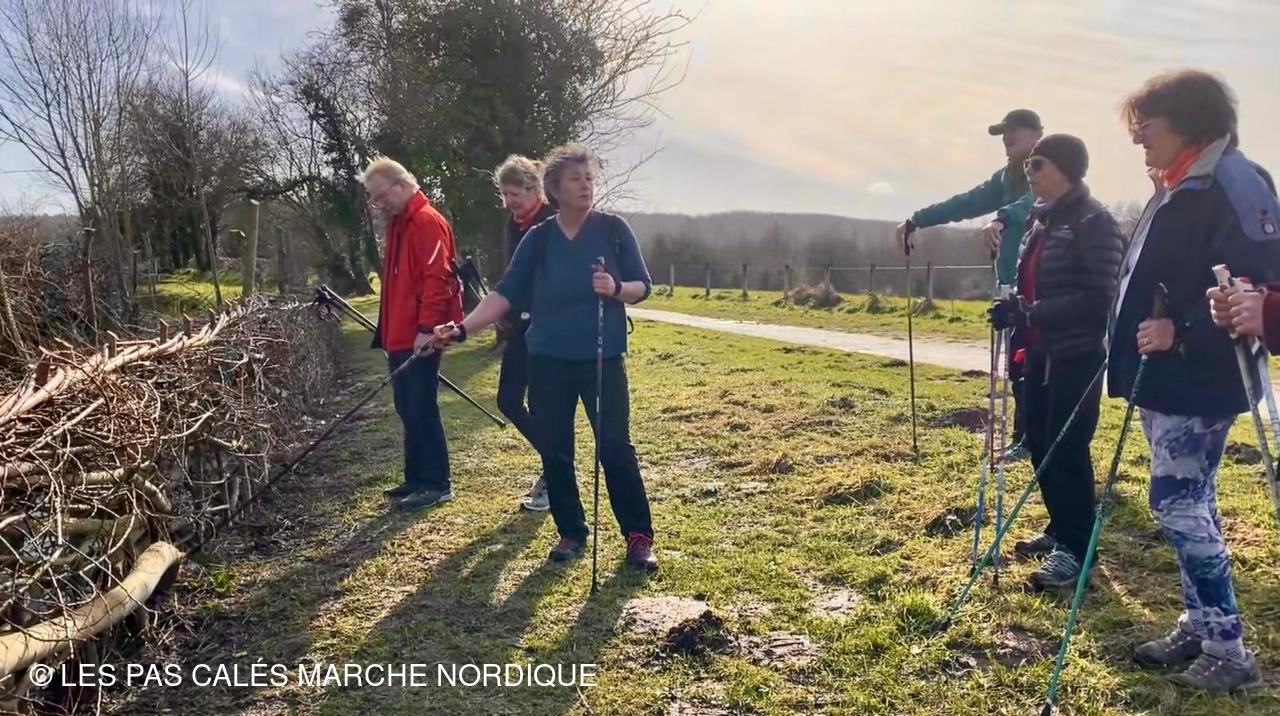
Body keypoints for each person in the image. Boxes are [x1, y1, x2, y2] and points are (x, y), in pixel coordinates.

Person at [1111, 69, 1280, 691]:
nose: (1137, 139)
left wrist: (1180, 332)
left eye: (1145, 125)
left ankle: (1230, 652)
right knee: (1193, 502)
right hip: (1166, 375)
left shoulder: (1233, 181)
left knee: (1177, 503)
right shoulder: (1178, 183)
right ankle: (1203, 623)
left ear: (1187, 121)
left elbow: (1254, 289)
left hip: (1200, 376)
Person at [430, 143, 658, 572]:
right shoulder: (539, 238)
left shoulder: (613, 229)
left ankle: (638, 537)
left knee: (615, 448)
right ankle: (571, 532)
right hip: (548, 360)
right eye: (576, 179)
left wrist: (615, 288)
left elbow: (643, 286)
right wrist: (461, 329)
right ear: (554, 188)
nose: (586, 186)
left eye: (590, 178)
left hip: (602, 358)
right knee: (555, 450)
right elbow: (504, 294)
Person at [986, 135, 1124, 590]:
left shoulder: (1095, 221)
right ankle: (1061, 527)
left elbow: (1099, 298)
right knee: (1041, 442)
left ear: (1064, 168)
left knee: (1067, 447)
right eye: (1028, 164)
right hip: (1037, 352)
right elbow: (1033, 285)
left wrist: (1032, 312)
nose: (1029, 172)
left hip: (1075, 354)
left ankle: (1078, 549)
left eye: (1037, 163)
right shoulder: (1040, 220)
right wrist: (1014, 310)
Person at [897, 109, 1044, 458]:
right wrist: (918, 220)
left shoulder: (1047, 169)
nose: (1007, 138)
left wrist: (1002, 218)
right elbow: (967, 202)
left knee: (1036, 364)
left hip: (1042, 286)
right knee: (1018, 365)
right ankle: (1024, 438)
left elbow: (1034, 203)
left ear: (1037, 133)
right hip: (1010, 283)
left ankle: (1035, 440)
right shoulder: (1006, 176)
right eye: (1004, 133)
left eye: (1015, 130)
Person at [361, 157, 463, 511]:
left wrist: (426, 330)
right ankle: (416, 476)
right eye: (374, 198)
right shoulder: (399, 224)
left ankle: (437, 483)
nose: (379, 204)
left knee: (422, 407)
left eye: (381, 196)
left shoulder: (426, 222)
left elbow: (438, 280)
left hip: (419, 336)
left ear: (401, 185)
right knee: (406, 406)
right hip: (398, 334)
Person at [494, 155, 559, 511]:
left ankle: (554, 477)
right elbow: (512, 273)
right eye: (505, 195)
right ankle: (557, 462)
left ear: (535, 189)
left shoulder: (553, 220)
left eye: (515, 194)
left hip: (548, 327)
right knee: (507, 400)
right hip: (518, 328)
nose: (509, 202)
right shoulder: (512, 224)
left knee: (541, 406)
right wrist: (503, 309)